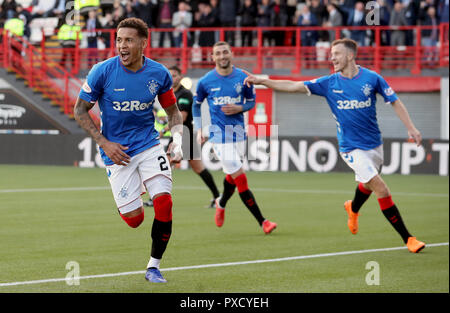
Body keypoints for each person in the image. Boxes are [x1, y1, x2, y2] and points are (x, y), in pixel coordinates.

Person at [244, 38, 426, 253]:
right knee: (381, 187)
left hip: (374, 145)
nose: (332, 58)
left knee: (367, 184)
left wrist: (411, 128)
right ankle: (409, 239)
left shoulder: (372, 78)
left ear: (350, 55)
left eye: (336, 54)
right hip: (350, 148)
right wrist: (263, 81)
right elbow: (294, 86)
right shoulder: (329, 83)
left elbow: (394, 101)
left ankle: (352, 207)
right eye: (331, 54)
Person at [73, 17, 183, 283]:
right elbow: (79, 110)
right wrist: (105, 143)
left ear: (143, 43)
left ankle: (153, 267)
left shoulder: (158, 74)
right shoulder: (102, 71)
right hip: (116, 153)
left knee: (164, 202)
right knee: (134, 220)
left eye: (128, 40)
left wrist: (180, 142)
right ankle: (137, 190)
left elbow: (174, 113)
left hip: (148, 145)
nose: (122, 45)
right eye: (119, 40)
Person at [192, 41, 277, 235]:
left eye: (225, 52)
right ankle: (263, 222)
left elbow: (252, 101)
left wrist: (240, 108)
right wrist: (198, 129)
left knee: (232, 175)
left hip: (239, 133)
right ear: (212, 57)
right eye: (217, 54)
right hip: (218, 136)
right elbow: (196, 106)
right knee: (241, 178)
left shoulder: (242, 77)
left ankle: (221, 202)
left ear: (231, 54)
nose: (222, 56)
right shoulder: (206, 81)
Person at [169, 65, 220, 208]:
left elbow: (182, 117)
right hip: (179, 134)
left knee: (166, 164)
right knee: (198, 168)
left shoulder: (184, 94)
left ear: (180, 77)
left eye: (175, 75)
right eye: (170, 75)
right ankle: (217, 197)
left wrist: (165, 128)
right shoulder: (170, 93)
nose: (172, 78)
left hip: (185, 135)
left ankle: (156, 199)